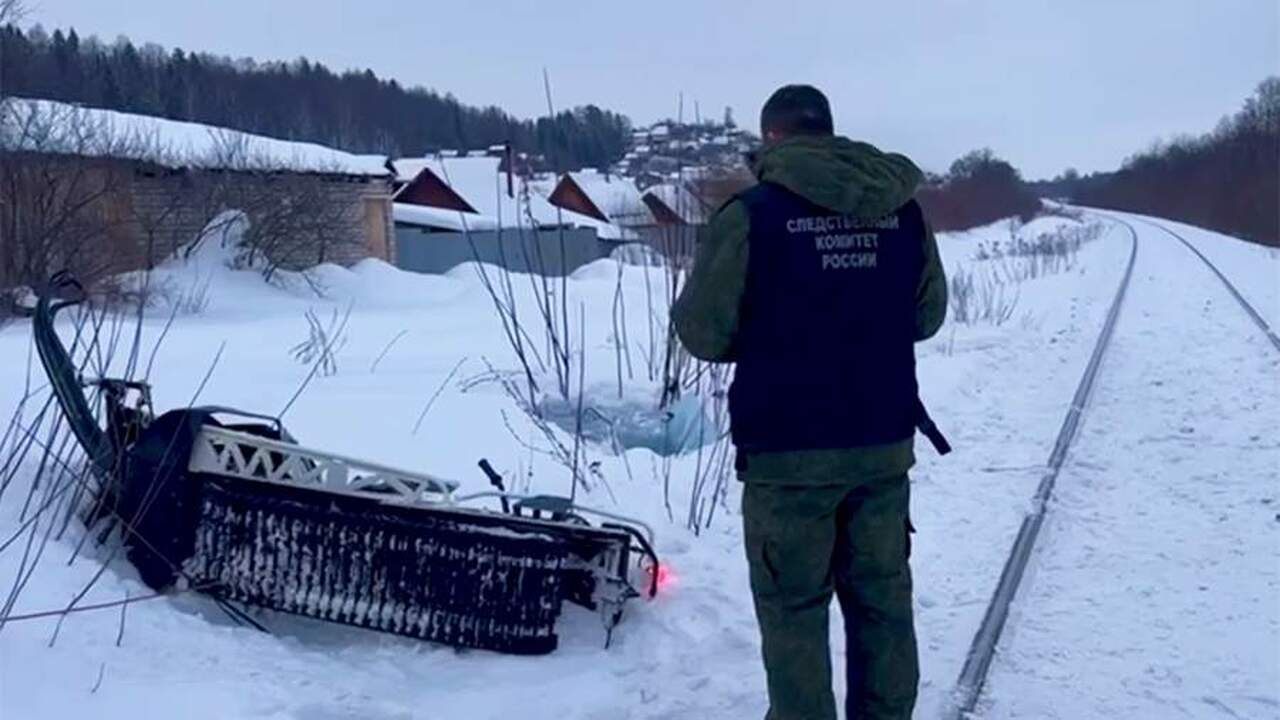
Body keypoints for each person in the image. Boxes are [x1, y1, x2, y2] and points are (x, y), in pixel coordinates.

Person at [671, 84, 948, 720]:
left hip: (787, 454)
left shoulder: (752, 215)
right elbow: (926, 316)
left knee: (794, 612)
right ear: (828, 131)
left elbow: (703, 334)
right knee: (883, 602)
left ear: (772, 138)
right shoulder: (901, 211)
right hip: (881, 443)